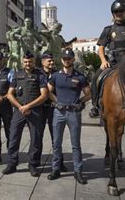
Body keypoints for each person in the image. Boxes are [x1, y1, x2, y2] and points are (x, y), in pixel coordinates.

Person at [89, 0, 125, 118]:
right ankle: (95, 105)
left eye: (121, 11)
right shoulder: (108, 30)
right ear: (113, 13)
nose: (119, 13)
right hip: (113, 62)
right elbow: (101, 49)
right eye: (116, 11)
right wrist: (103, 61)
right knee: (95, 78)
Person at [47, 49, 91, 185]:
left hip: (74, 113)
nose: (67, 60)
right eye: (64, 58)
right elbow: (48, 91)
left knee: (75, 144)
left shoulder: (80, 76)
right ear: (61, 60)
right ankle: (55, 169)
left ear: (73, 59)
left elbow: (89, 94)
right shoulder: (55, 76)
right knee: (56, 143)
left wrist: (81, 102)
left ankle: (78, 171)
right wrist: (56, 102)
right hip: (58, 113)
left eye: (69, 58)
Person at [2, 51, 49, 177]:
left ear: (34, 62)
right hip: (19, 110)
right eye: (26, 62)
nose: (28, 64)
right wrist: (20, 107)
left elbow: (44, 95)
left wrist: (28, 106)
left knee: (36, 139)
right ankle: (12, 164)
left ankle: (33, 164)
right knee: (13, 137)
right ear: (23, 62)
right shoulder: (17, 75)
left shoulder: (40, 75)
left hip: (34, 111)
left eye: (30, 61)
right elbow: (10, 93)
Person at [39, 52, 67, 172]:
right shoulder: (37, 73)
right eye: (48, 60)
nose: (51, 62)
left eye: (52, 60)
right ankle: (35, 162)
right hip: (39, 109)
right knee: (37, 137)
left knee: (56, 138)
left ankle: (59, 163)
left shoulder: (58, 74)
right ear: (42, 62)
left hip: (54, 109)